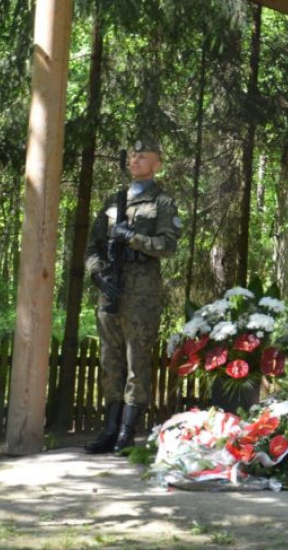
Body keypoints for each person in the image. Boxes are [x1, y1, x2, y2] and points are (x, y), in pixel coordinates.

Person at [84, 139, 180, 455]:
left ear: (157, 165)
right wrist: (97, 274)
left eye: (143, 156)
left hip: (142, 294)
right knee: (110, 360)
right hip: (111, 290)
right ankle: (109, 429)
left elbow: (167, 245)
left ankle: (127, 430)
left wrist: (132, 238)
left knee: (136, 360)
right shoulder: (114, 202)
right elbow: (93, 246)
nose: (134, 160)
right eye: (132, 156)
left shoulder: (162, 203)